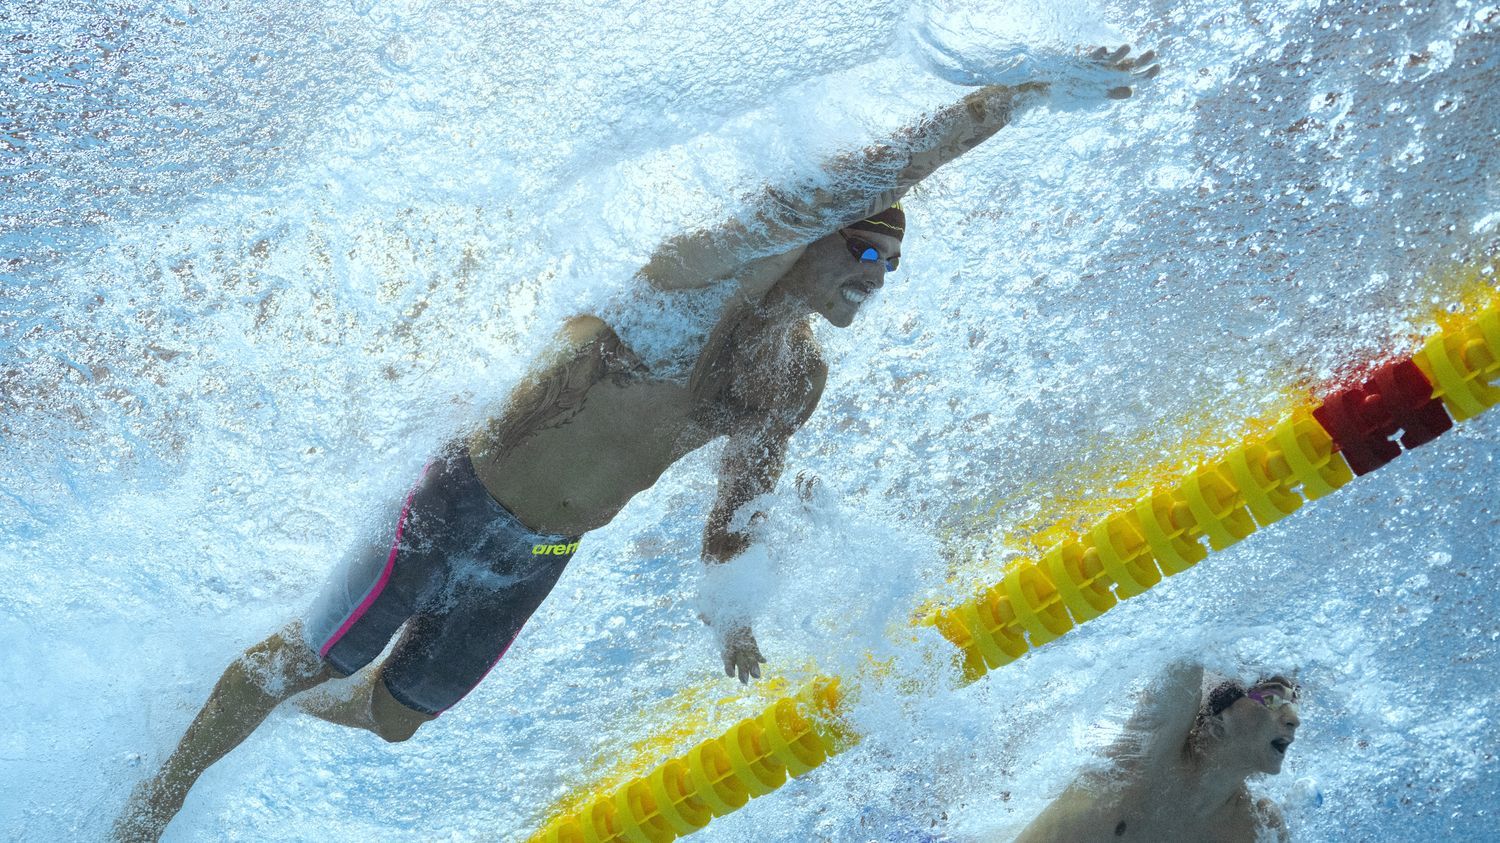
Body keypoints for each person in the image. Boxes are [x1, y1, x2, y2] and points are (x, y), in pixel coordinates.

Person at [114, 46, 1160, 841]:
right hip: (461, 502)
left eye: (893, 259)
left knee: (394, 719)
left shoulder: (792, 379)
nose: (880, 270)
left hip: (537, 558)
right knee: (308, 653)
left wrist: (732, 621)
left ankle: (278, 702)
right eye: (870, 245)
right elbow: (884, 166)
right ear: (816, 233)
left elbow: (738, 503)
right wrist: (1014, 98)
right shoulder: (697, 278)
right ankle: (154, 801)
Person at [1013, 664, 1301, 843]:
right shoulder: (1151, 755)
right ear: (1220, 713)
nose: (1293, 719)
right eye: (1271, 698)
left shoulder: (1256, 828)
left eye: (1293, 702)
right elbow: (1188, 644)